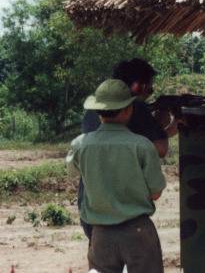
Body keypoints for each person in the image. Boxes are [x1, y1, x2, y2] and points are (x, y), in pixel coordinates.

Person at [67, 79, 166, 273]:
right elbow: (155, 193)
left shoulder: (80, 145)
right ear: (128, 110)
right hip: (138, 232)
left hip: (100, 234)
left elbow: (73, 172)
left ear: (97, 111)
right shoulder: (142, 145)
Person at [79, 58, 177, 239]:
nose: (149, 95)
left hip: (94, 214)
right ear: (138, 87)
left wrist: (156, 125)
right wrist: (169, 127)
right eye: (149, 89)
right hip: (126, 218)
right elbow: (159, 148)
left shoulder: (93, 110)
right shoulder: (136, 107)